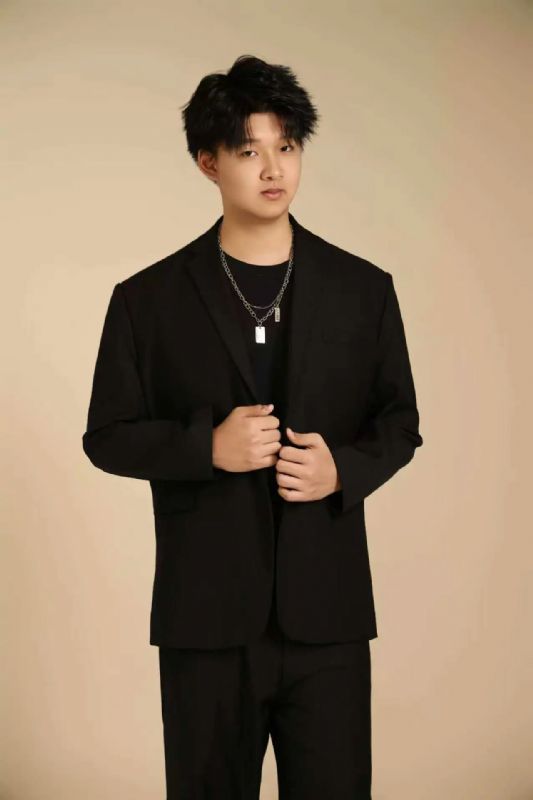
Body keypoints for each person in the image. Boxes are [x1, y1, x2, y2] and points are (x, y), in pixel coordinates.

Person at [82, 54, 423, 800]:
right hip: (204, 620)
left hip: (328, 616)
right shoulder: (147, 300)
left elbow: (400, 421)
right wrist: (204, 446)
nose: (273, 169)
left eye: (287, 146)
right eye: (247, 150)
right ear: (208, 163)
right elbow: (106, 434)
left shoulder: (363, 290)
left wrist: (343, 470)